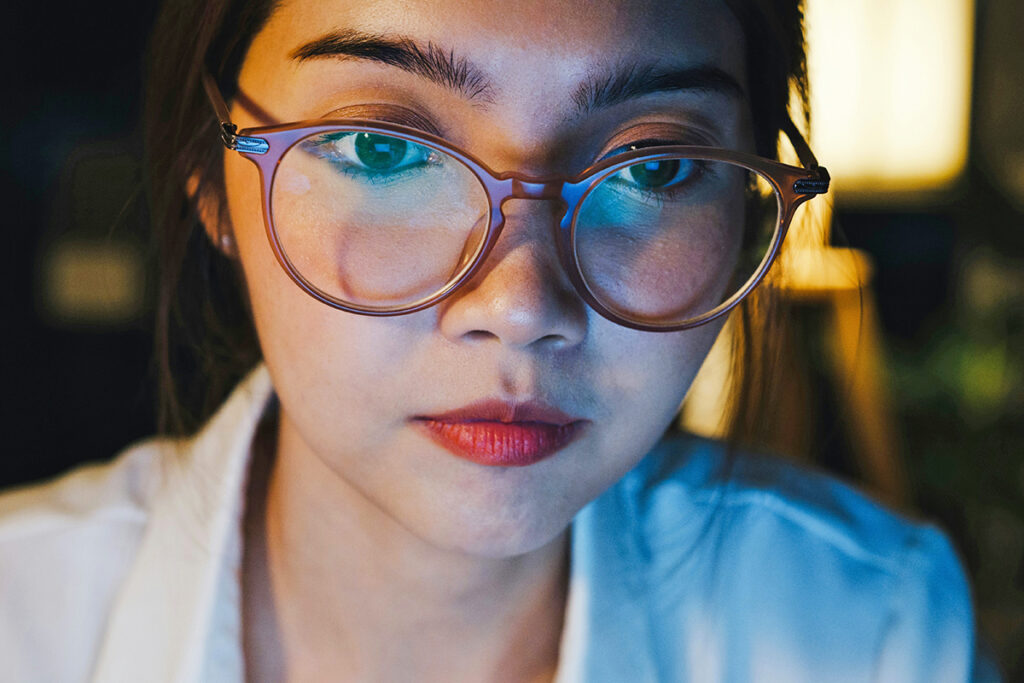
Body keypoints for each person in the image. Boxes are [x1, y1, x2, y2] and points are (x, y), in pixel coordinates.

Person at [0, 0, 992, 681]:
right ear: (211, 181)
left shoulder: (869, 633)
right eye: (381, 148)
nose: (520, 304)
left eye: (653, 167)